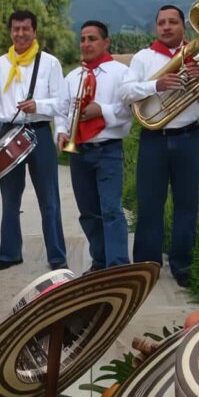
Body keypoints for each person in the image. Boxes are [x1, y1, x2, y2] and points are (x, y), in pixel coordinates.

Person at [119, 4, 199, 287]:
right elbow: (125, 92)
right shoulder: (143, 58)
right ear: (156, 27)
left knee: (187, 205)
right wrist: (157, 86)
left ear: (183, 27)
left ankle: (182, 265)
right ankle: (146, 266)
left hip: (190, 138)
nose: (166, 27)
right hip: (154, 139)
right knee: (150, 204)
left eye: (172, 22)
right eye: (161, 22)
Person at [0, 10, 66, 271]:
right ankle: (9, 254)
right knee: (10, 199)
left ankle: (56, 256)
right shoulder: (0, 64)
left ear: (34, 31)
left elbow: (61, 103)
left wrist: (38, 105)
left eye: (25, 29)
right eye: (16, 29)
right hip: (9, 132)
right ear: (10, 32)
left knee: (49, 198)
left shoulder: (50, 63)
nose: (20, 34)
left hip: (39, 131)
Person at [56, 20, 132, 272]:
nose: (86, 44)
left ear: (105, 42)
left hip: (108, 149)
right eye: (83, 39)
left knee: (110, 210)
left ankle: (118, 266)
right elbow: (62, 110)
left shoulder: (120, 73)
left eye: (92, 38)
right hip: (79, 153)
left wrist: (102, 109)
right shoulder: (73, 76)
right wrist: (61, 131)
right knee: (88, 213)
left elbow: (128, 111)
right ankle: (99, 261)